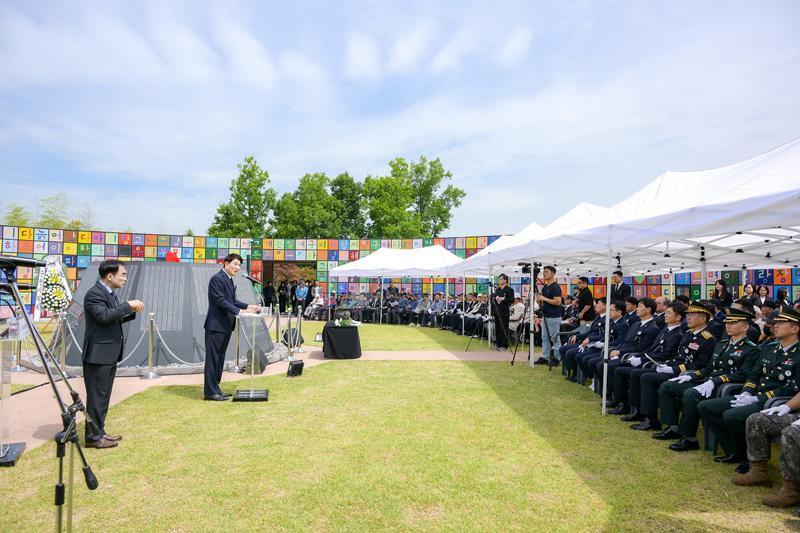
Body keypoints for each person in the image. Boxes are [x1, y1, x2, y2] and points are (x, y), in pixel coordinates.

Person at [696, 306, 800, 473]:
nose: (775, 326)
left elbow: (792, 388)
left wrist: (757, 399)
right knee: (706, 406)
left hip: (775, 401)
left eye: (781, 323)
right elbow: (754, 374)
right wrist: (746, 392)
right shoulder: (769, 348)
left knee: (732, 415)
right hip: (756, 395)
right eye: (776, 323)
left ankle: (747, 459)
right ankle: (734, 451)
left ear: (795, 329)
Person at [659, 304, 760, 450]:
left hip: (723, 387)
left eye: (733, 323)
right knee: (668, 386)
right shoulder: (722, 345)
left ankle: (689, 438)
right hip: (708, 382)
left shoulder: (751, 349)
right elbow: (708, 368)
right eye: (727, 322)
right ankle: (672, 427)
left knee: (690, 394)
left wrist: (715, 381)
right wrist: (691, 377)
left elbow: (743, 374)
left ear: (745, 327)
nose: (728, 326)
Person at [82, 260, 144, 449]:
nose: (125, 278)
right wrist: (127, 305)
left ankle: (99, 431)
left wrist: (129, 311)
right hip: (97, 355)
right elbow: (104, 316)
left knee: (103, 396)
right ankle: (93, 438)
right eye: (123, 274)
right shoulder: (94, 294)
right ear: (110, 276)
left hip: (108, 354)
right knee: (96, 397)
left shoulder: (108, 293)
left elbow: (111, 317)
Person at [203, 253, 261, 401]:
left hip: (226, 326)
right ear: (226, 263)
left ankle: (216, 388)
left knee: (220, 359)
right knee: (213, 359)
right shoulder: (217, 279)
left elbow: (233, 301)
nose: (237, 268)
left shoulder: (228, 280)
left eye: (239, 266)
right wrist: (242, 311)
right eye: (235, 264)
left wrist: (249, 306)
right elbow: (221, 301)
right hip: (216, 326)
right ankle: (210, 392)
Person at [534, 265, 563, 366]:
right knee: (545, 338)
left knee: (555, 338)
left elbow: (558, 302)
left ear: (553, 273)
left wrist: (544, 299)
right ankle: (545, 357)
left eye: (546, 272)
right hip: (546, 315)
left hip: (554, 316)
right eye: (544, 272)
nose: (544, 274)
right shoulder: (546, 286)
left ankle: (557, 358)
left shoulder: (555, 287)